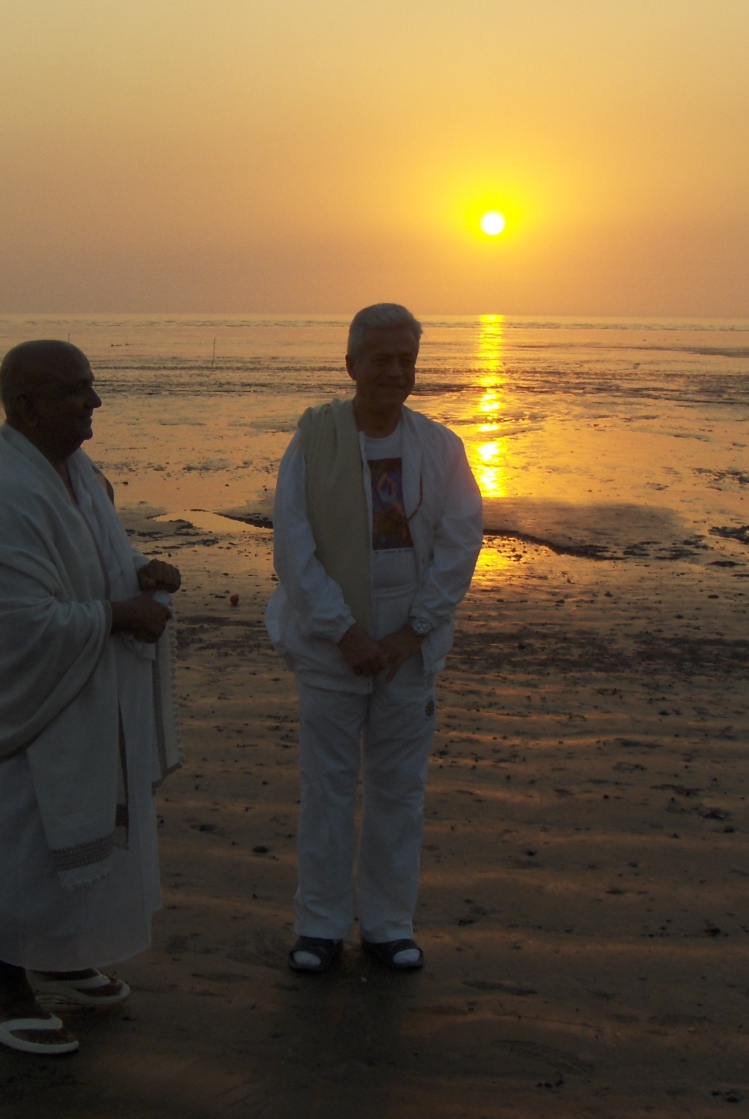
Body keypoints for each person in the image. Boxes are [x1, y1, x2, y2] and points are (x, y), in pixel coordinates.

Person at [0, 340, 183, 1054]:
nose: (95, 401)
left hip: (81, 689)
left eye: (93, 385)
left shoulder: (78, 473)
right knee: (22, 841)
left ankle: (63, 957)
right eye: (77, 390)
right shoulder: (3, 497)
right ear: (27, 407)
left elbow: (91, 558)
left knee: (83, 826)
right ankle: (10, 996)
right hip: (25, 700)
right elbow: (23, 621)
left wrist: (138, 570)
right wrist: (118, 615)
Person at [265, 303, 482, 973]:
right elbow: (293, 546)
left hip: (410, 646)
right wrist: (343, 631)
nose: (394, 371)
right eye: (381, 358)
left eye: (405, 359)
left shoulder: (440, 447)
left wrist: (415, 629)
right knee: (327, 788)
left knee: (399, 790)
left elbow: (459, 542)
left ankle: (389, 925)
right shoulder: (315, 440)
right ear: (351, 365)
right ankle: (319, 926)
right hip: (330, 643)